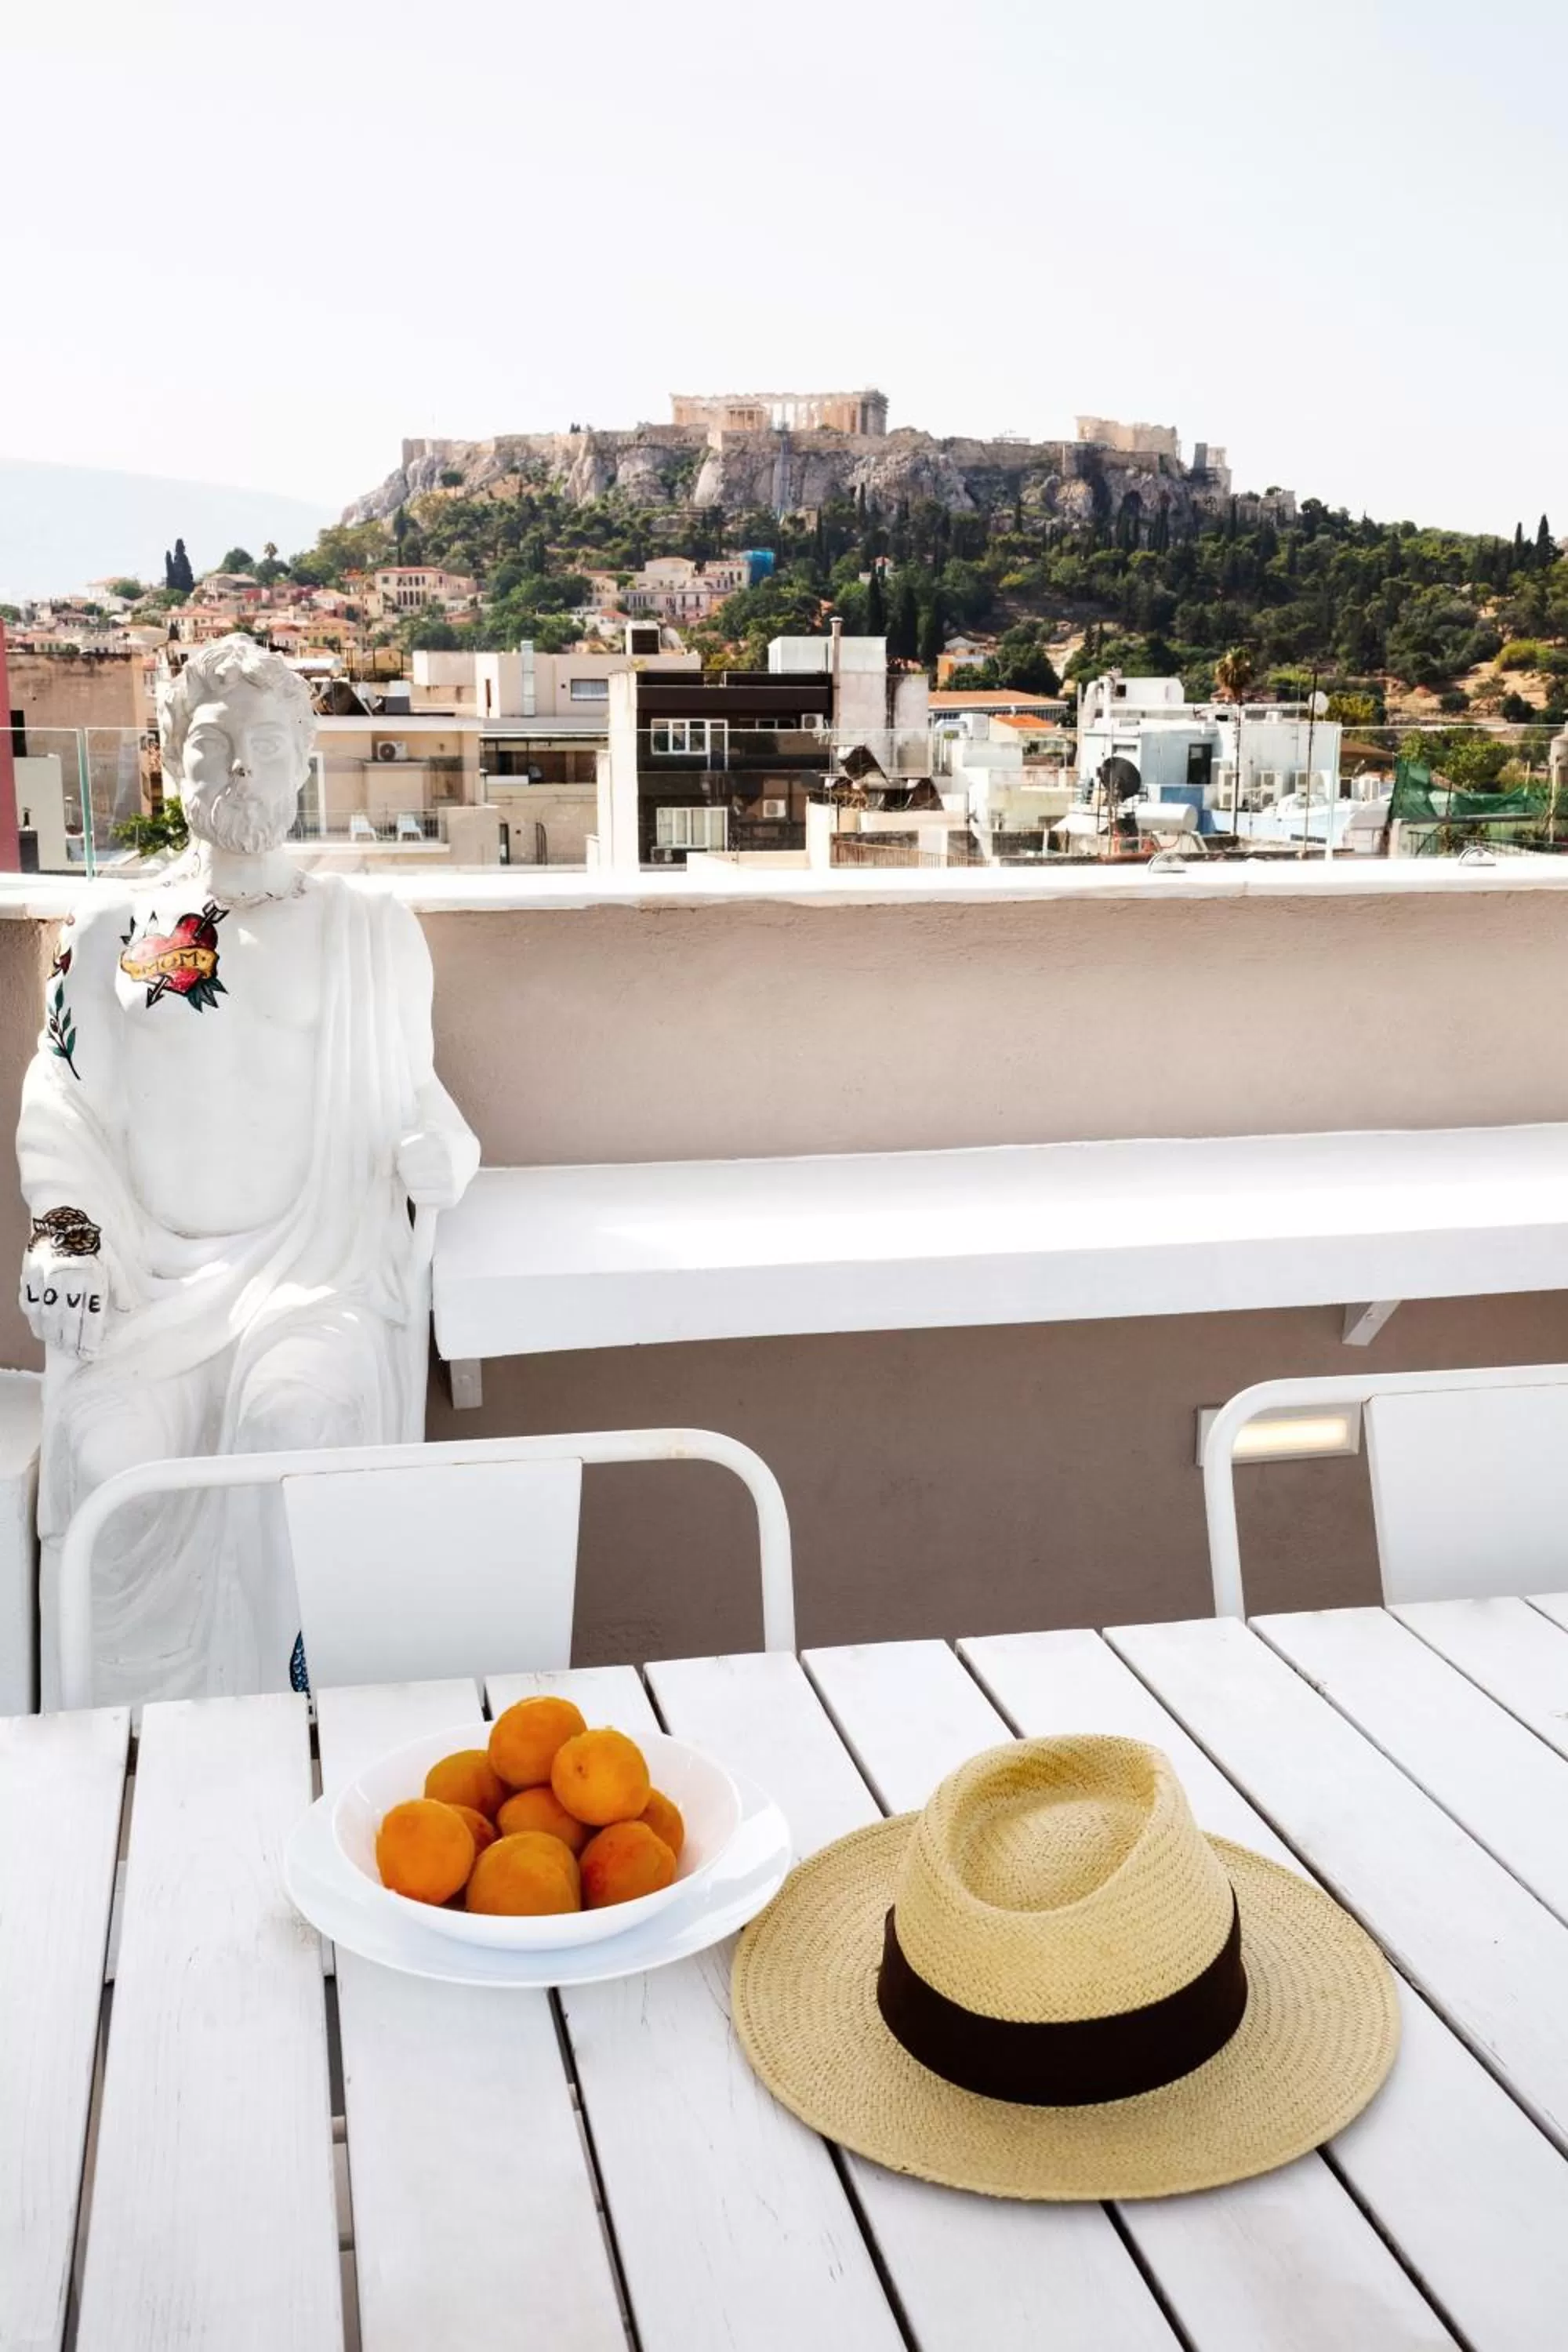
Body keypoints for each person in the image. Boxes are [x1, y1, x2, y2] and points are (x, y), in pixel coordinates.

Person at [18, 634, 479, 1704]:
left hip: (314, 1281)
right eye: (212, 745)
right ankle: (121, 1757)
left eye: (264, 746)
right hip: (149, 1289)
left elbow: (422, 1099)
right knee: (107, 1462)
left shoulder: (365, 931)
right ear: (171, 760)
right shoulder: (116, 932)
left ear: (305, 761)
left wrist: (442, 1153)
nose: (238, 772)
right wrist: (72, 1238)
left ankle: (290, 1737)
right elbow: (61, 1101)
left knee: (293, 1431)